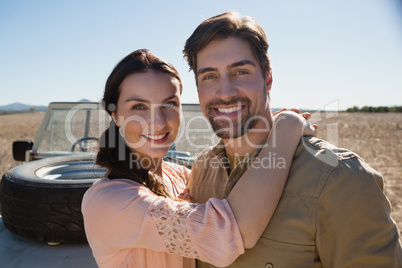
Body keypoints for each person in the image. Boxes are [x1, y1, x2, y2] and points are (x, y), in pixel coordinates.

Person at [183, 11, 402, 267]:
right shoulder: (199, 173)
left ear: (268, 78)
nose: (225, 92)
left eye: (240, 72)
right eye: (209, 76)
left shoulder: (339, 177)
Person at [81, 49, 315, 268]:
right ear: (116, 116)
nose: (159, 122)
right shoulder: (106, 201)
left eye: (169, 103)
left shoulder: (180, 175)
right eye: (139, 106)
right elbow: (227, 234)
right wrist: (287, 127)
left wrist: (259, 131)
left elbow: (238, 184)